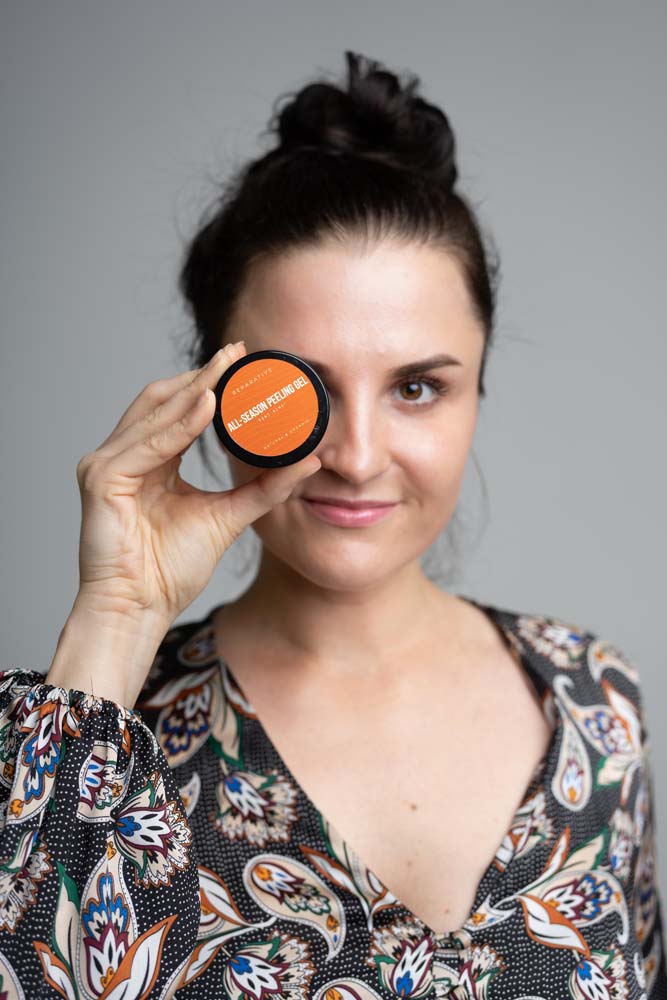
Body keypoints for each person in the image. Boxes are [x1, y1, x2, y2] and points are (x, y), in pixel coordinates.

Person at [0, 49, 664, 1000]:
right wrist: (114, 615)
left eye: (417, 388)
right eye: (301, 388)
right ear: (213, 394)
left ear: (478, 391)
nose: (354, 454)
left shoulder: (596, 706)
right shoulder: (107, 735)